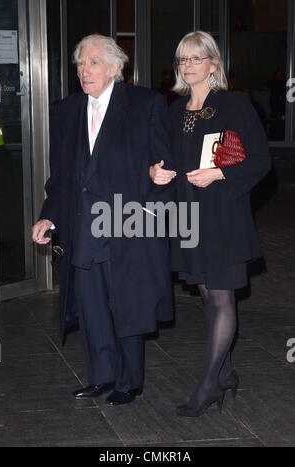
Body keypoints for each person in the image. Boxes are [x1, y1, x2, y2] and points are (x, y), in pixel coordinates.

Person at [32, 34, 175, 406]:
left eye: (93, 62)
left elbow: (164, 162)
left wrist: (158, 177)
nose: (84, 70)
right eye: (80, 63)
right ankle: (102, 376)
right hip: (82, 225)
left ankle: (130, 380)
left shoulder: (146, 104)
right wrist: (48, 217)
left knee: (128, 303)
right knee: (91, 302)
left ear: (114, 67)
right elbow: (60, 175)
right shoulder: (67, 110)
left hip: (128, 224)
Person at [150, 31, 271, 417]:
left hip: (223, 217)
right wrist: (155, 171)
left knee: (221, 298)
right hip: (188, 217)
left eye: (196, 59)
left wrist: (219, 173)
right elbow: (162, 157)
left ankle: (207, 385)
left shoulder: (234, 104)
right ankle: (227, 373)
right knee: (206, 295)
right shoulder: (174, 110)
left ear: (213, 64)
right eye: (182, 59)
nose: (188, 66)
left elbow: (260, 161)